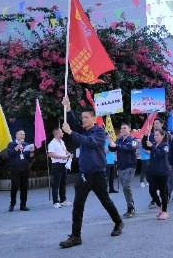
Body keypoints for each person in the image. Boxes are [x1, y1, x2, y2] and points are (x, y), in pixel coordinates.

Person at [59, 97, 124, 248]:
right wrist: (68, 108)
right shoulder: (82, 130)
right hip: (84, 174)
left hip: (98, 174)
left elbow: (90, 142)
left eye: (86, 117)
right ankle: (76, 236)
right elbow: (74, 125)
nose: (83, 120)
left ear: (94, 118)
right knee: (77, 205)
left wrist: (71, 133)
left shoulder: (99, 132)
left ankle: (118, 222)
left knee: (105, 201)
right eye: (82, 117)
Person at [109, 123, 138, 218]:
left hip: (130, 166)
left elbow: (130, 148)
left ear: (129, 129)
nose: (122, 129)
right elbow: (113, 149)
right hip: (121, 167)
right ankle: (130, 205)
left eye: (124, 128)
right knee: (125, 188)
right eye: (121, 128)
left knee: (126, 186)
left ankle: (131, 207)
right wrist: (111, 143)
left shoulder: (133, 140)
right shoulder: (119, 140)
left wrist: (116, 145)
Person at [7, 129, 35, 212]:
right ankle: (12, 204)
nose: (23, 136)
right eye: (21, 134)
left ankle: (23, 205)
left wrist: (32, 152)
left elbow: (29, 156)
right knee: (15, 187)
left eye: (24, 134)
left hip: (25, 168)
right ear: (16, 135)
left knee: (24, 187)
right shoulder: (11, 144)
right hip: (15, 169)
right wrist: (18, 145)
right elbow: (10, 154)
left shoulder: (26, 144)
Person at [146, 129, 171, 220]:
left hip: (163, 172)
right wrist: (145, 136)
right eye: (154, 135)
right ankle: (159, 206)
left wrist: (152, 146)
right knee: (152, 190)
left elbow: (161, 153)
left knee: (163, 192)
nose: (155, 136)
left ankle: (164, 211)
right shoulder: (153, 144)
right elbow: (145, 145)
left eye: (157, 135)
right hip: (153, 172)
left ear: (162, 136)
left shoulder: (165, 145)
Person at [48, 128, 72, 209]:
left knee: (63, 183)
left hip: (63, 164)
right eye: (61, 132)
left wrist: (68, 154)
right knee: (56, 184)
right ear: (57, 133)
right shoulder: (52, 143)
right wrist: (62, 157)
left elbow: (64, 151)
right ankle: (55, 201)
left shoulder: (62, 142)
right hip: (56, 165)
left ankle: (63, 200)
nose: (63, 133)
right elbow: (50, 154)